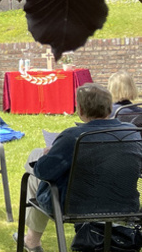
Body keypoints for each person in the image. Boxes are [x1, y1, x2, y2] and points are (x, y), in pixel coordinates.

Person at [18, 83, 140, 251]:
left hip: (75, 206)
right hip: (125, 203)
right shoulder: (132, 133)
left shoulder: (73, 136)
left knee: (34, 169)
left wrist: (47, 155)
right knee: (38, 163)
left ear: (80, 110)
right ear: (110, 108)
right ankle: (31, 239)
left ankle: (32, 239)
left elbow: (43, 172)